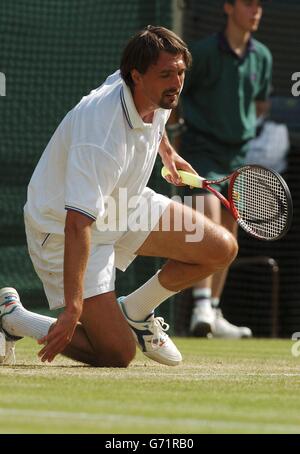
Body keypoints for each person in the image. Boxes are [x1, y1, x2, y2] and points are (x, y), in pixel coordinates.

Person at [0, 26, 238, 367]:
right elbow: (77, 224)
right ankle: (14, 317)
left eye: (181, 72)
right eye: (167, 74)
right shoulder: (100, 133)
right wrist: (73, 309)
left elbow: (158, 119)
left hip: (124, 205)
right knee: (117, 353)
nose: (176, 82)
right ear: (136, 76)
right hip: (61, 227)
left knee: (220, 249)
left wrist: (166, 152)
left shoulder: (157, 91)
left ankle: (137, 311)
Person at [180, 0, 273, 338]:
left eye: (260, 5)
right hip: (200, 150)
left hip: (238, 155)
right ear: (228, 7)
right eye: (249, 4)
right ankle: (201, 305)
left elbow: (260, 103)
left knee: (230, 228)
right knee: (204, 219)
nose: (256, 11)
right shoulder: (201, 53)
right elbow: (176, 98)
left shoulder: (262, 56)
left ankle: (213, 313)